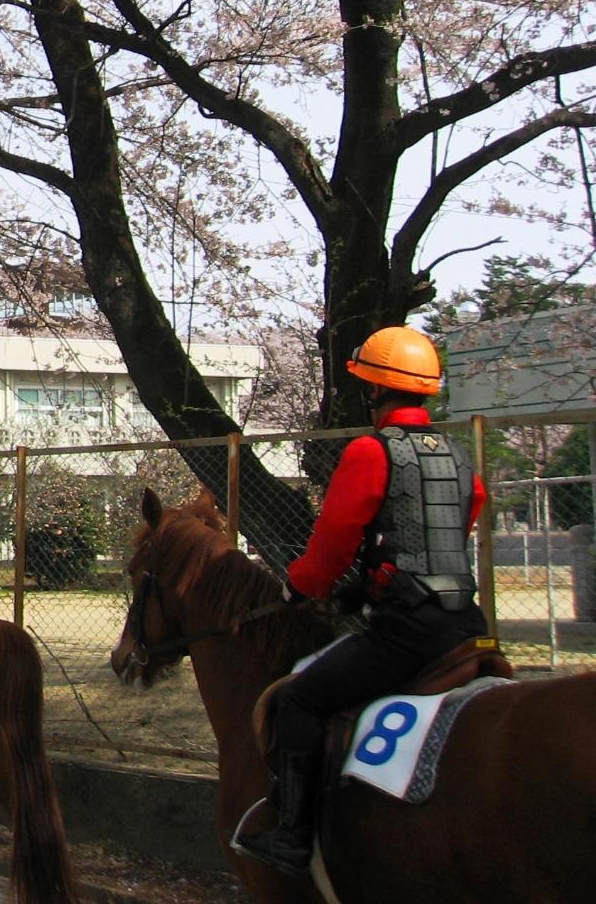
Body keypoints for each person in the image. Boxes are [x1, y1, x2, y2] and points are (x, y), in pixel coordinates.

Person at [236, 325, 487, 875]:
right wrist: (369, 584)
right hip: (470, 626)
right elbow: (449, 535)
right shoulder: (460, 456)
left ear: (374, 391)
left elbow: (331, 547)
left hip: (408, 633)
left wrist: (302, 585)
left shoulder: (371, 453)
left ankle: (293, 836)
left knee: (298, 701)